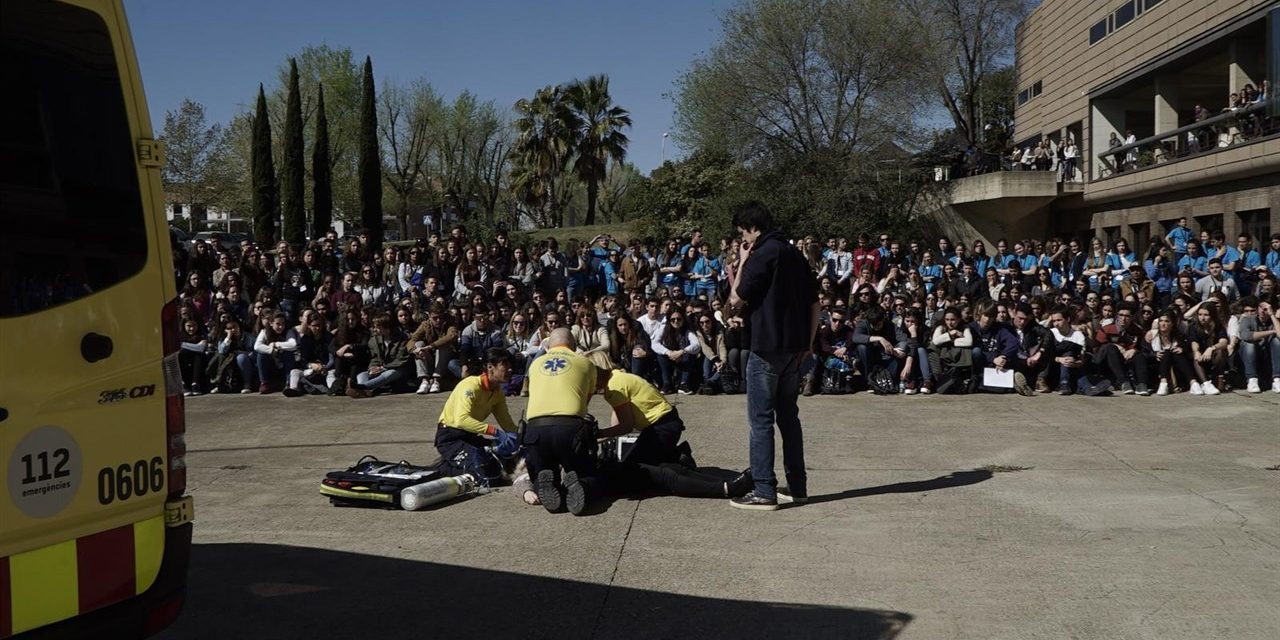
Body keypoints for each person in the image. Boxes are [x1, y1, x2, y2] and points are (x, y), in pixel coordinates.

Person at [726, 201, 819, 511]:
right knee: (789, 418)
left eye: (743, 234)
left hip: (767, 349)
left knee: (761, 420)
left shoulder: (762, 253)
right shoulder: (794, 253)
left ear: (753, 227)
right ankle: (797, 486)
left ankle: (764, 489)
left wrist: (740, 263)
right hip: (795, 348)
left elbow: (736, 298)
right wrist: (808, 343)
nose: (744, 241)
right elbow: (814, 303)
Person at [586, 352, 752, 500]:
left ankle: (722, 488)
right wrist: (604, 437)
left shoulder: (613, 388)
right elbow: (620, 423)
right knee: (656, 465)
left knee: (649, 471)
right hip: (666, 423)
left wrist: (598, 434)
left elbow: (626, 426)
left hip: (661, 428)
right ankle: (683, 461)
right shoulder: (619, 377)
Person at [524, 328, 602, 515]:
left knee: (542, 471)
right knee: (590, 475)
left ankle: (546, 485)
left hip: (535, 430)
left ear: (549, 345)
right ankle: (581, 485)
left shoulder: (535, 365)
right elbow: (585, 402)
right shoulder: (585, 363)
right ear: (574, 346)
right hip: (568, 429)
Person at [434, 349, 519, 487]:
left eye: (511, 365)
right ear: (490, 367)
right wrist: (495, 432)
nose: (510, 370)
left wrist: (521, 437)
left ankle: (460, 460)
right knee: (482, 477)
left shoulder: (497, 393)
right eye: (505, 365)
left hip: (470, 437)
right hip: (450, 438)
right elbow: (462, 420)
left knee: (500, 466)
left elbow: (507, 423)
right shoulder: (470, 385)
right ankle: (440, 470)